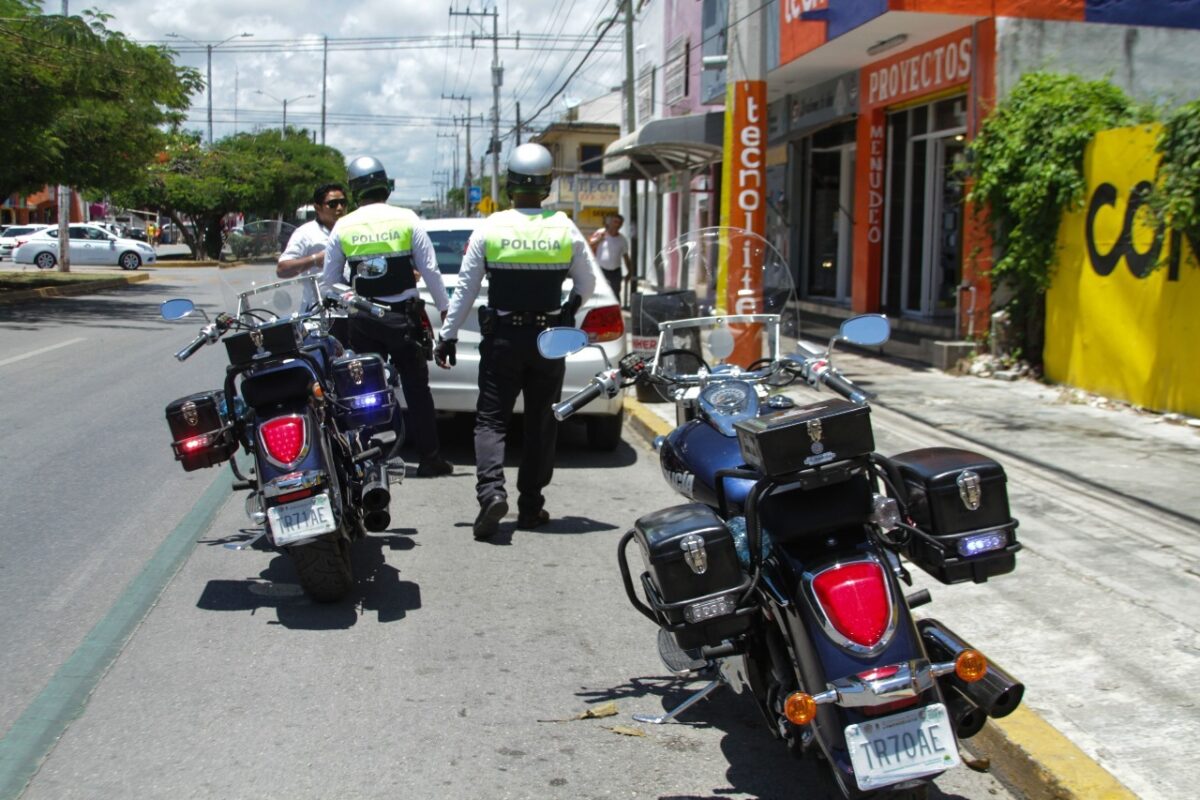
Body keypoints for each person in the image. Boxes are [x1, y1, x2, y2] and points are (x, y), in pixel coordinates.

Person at [435, 142, 597, 540]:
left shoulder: (490, 227)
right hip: (548, 341)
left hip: (503, 338)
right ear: (547, 186)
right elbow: (587, 283)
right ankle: (530, 507)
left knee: (491, 420)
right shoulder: (564, 227)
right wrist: (570, 309)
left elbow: (465, 290)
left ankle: (492, 492)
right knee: (542, 422)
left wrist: (448, 335)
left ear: (510, 185)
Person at [320, 156, 454, 478]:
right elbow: (431, 271)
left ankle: (365, 458)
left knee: (365, 389)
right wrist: (446, 312)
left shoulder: (343, 226)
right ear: (386, 186)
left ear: (354, 191)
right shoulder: (407, 219)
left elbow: (329, 282)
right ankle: (430, 458)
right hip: (403, 320)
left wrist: (355, 298)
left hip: (364, 320)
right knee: (416, 389)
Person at [278, 183, 347, 312]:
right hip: (318, 312)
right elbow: (282, 269)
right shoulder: (306, 233)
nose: (339, 208)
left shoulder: (352, 230)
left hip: (350, 311)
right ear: (318, 207)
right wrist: (315, 259)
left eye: (343, 203)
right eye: (332, 204)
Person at [588, 213, 633, 306]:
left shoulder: (622, 240)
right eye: (615, 222)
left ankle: (615, 310)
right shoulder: (600, 233)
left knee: (615, 293)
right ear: (610, 222)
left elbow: (626, 257)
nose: (617, 225)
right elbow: (589, 246)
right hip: (601, 269)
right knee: (600, 292)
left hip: (615, 271)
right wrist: (598, 240)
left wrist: (630, 272)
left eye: (620, 223)